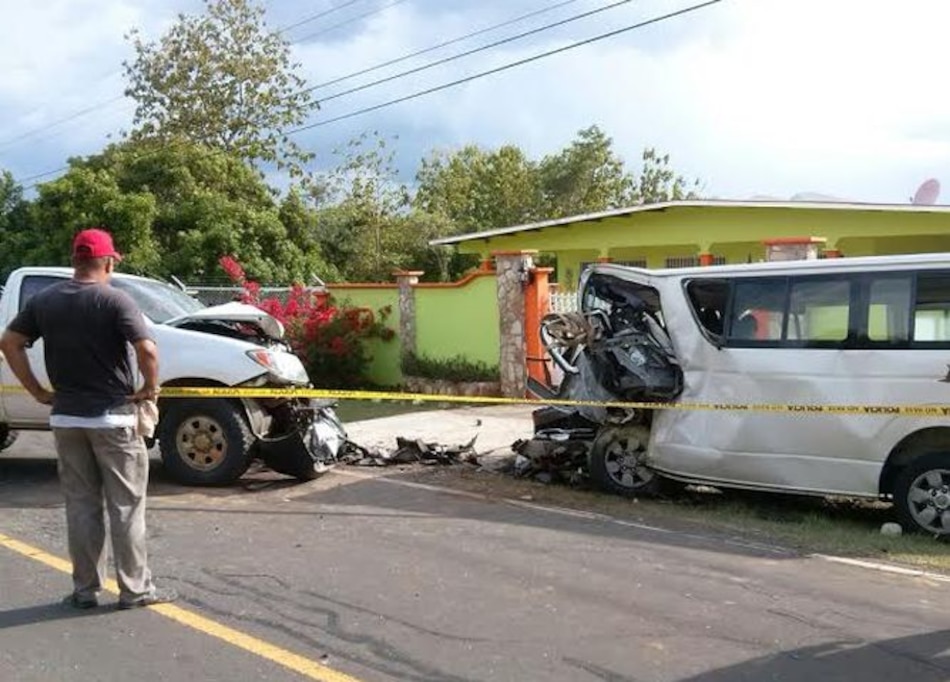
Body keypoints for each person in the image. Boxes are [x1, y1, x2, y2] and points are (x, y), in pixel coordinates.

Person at [0, 228, 176, 610]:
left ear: (74, 259)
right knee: (126, 507)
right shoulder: (115, 300)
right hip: (113, 420)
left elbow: (9, 342)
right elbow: (146, 348)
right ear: (108, 261)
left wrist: (37, 391)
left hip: (66, 420)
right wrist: (150, 387)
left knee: (81, 506)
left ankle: (85, 589)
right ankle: (134, 589)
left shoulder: (45, 301)